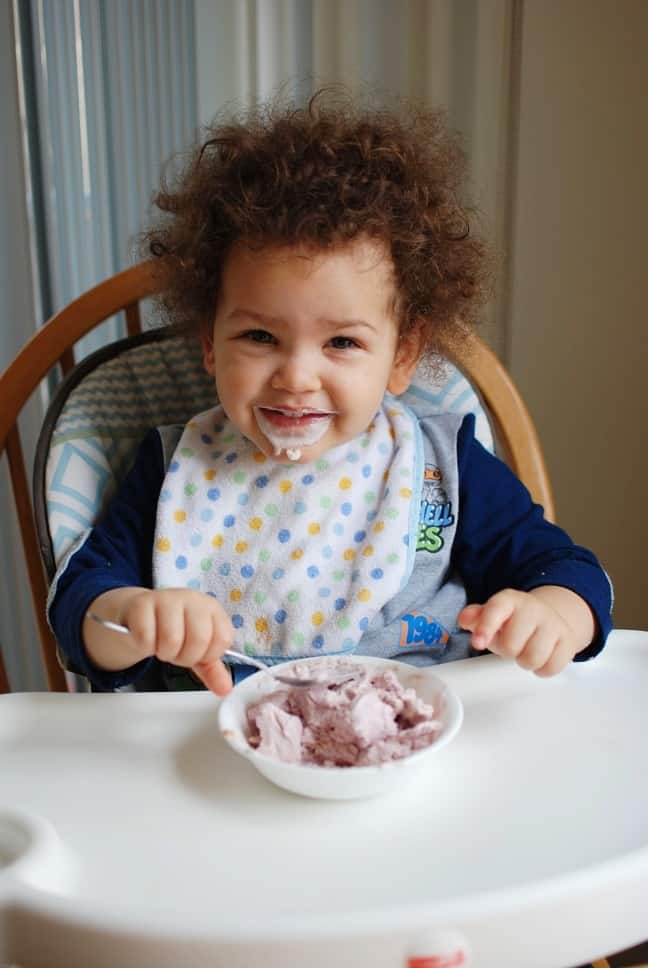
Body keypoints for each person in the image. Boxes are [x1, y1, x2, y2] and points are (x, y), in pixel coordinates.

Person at [48, 90, 613, 695]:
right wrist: (135, 618)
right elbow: (80, 606)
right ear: (210, 343)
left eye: (342, 342)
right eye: (260, 335)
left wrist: (552, 614)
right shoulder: (172, 470)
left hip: (410, 747)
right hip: (219, 753)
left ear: (402, 357)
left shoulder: (440, 471)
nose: (296, 376)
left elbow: (571, 571)